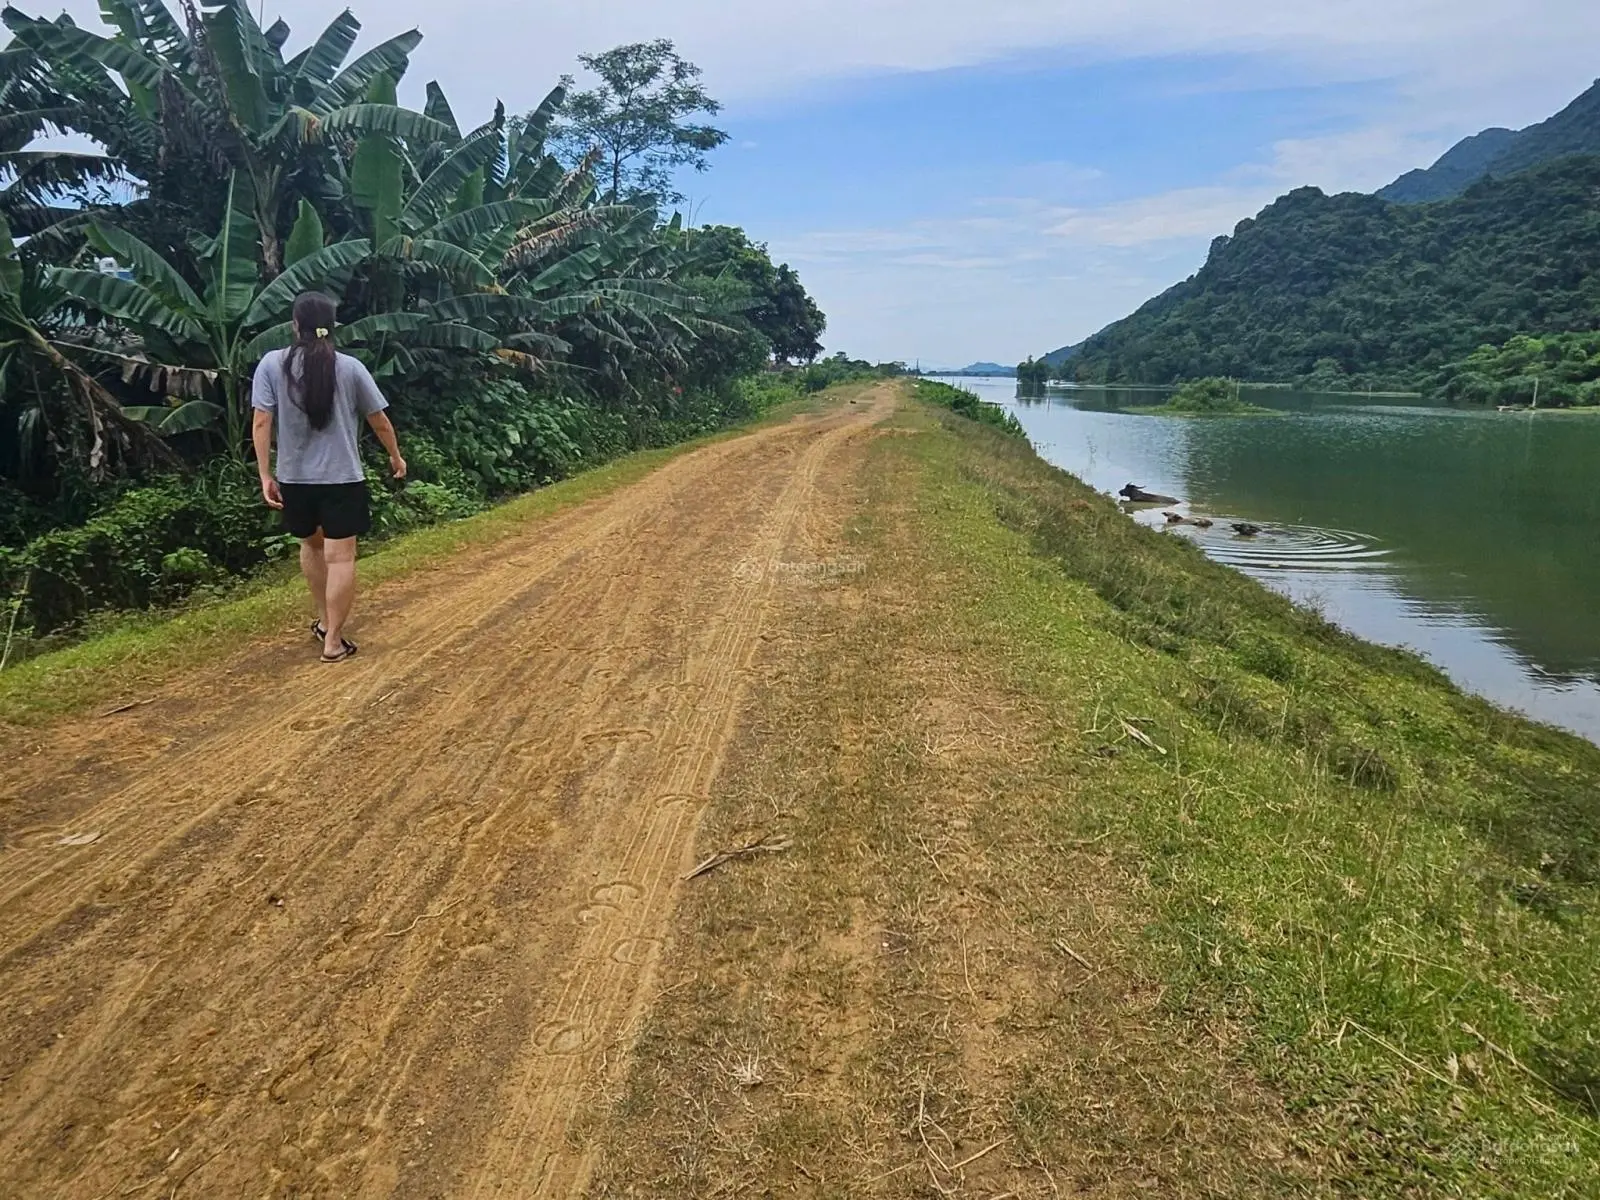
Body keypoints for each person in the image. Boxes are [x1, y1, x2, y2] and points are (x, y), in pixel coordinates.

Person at [251, 292, 406, 663]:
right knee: (341, 558)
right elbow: (379, 420)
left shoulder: (271, 364)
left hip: (294, 479)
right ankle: (333, 640)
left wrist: (264, 473)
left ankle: (324, 620)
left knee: (312, 547)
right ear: (332, 327)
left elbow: (261, 421)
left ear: (294, 326)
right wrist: (396, 457)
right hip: (342, 479)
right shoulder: (350, 367)